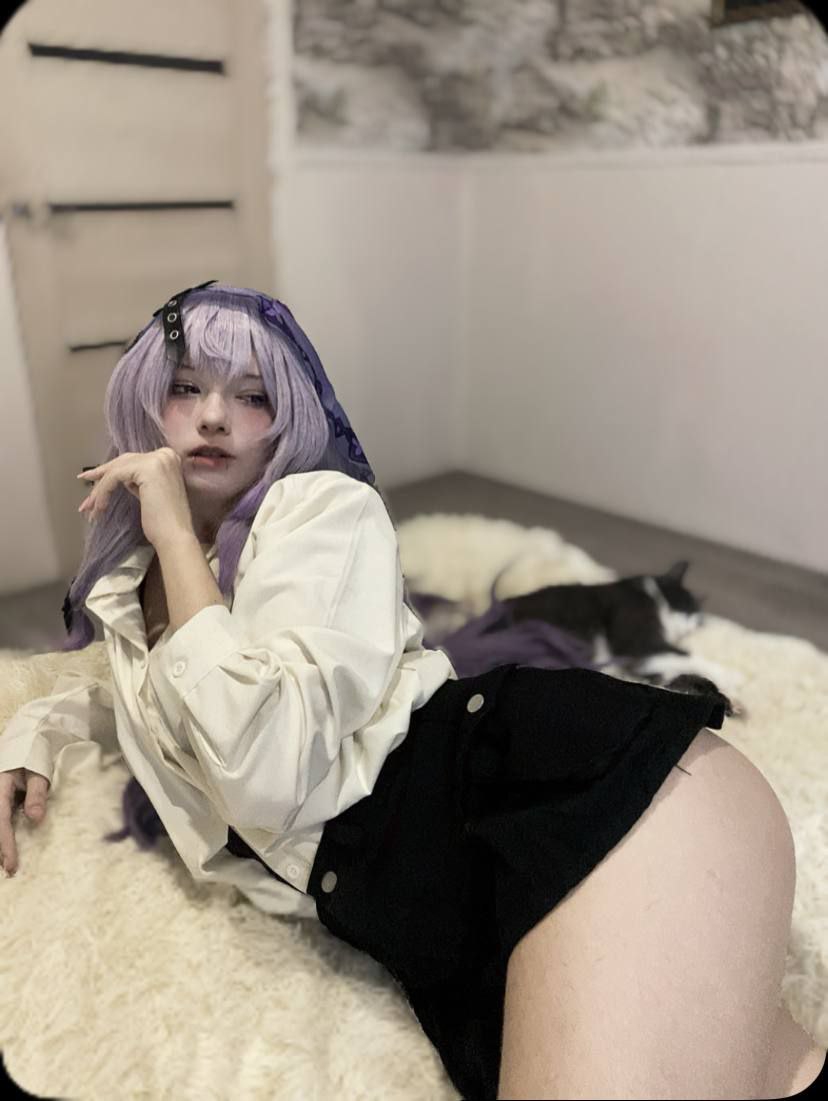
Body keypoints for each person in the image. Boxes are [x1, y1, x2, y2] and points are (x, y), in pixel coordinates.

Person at [0, 280, 823, 1098]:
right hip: (466, 917)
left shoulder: (321, 510)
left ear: (287, 418)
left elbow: (264, 768)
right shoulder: (137, 584)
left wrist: (176, 534)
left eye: (252, 395)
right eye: (187, 387)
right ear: (146, 397)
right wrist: (33, 732)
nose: (214, 416)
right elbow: (135, 692)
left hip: (586, 799)